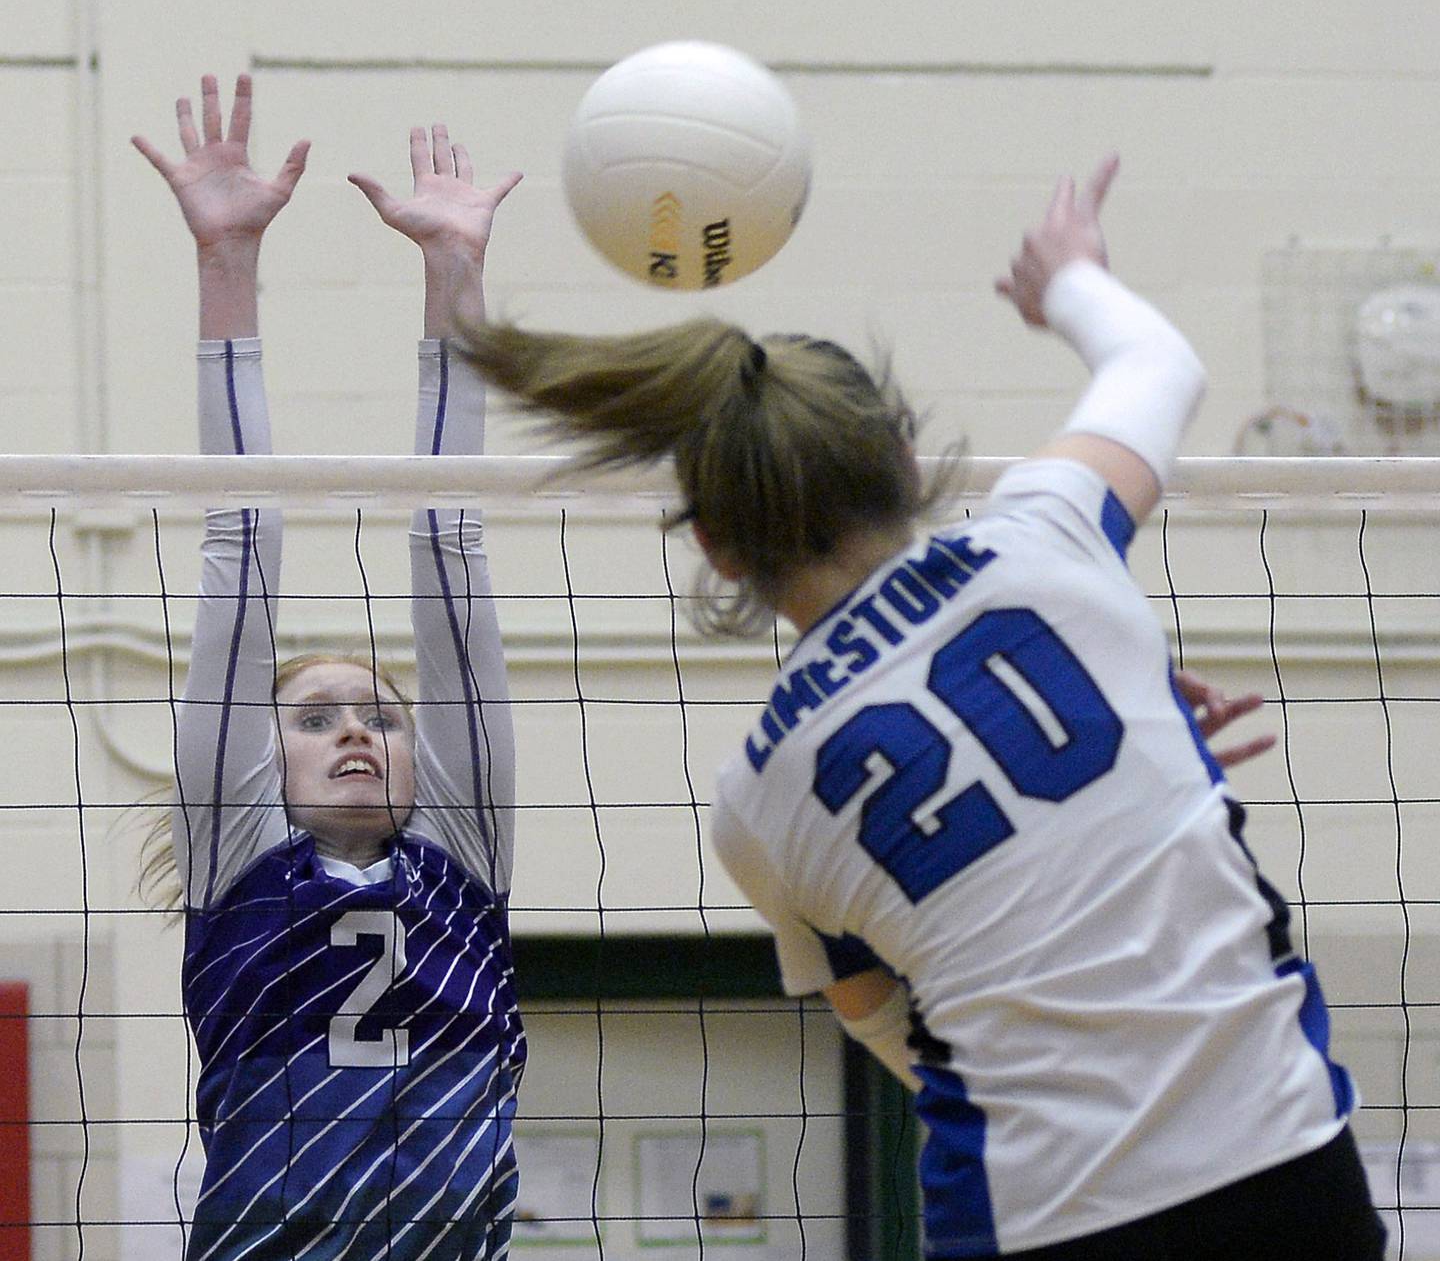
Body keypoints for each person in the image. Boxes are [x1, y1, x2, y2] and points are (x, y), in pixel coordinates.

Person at [455, 157, 1385, 1257]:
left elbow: (881, 1018)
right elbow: (1158, 360)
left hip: (1039, 1211)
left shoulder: (759, 797)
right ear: (901, 450)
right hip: (1280, 1158)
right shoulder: (1047, 535)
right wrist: (1069, 277)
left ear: (712, 542)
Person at [133, 75, 526, 1259]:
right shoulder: (239, 854)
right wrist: (227, 267)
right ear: (265, 756)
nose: (359, 729)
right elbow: (239, 530)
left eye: (381, 715)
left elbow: (449, 532)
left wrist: (454, 278)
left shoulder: (460, 853)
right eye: (316, 717)